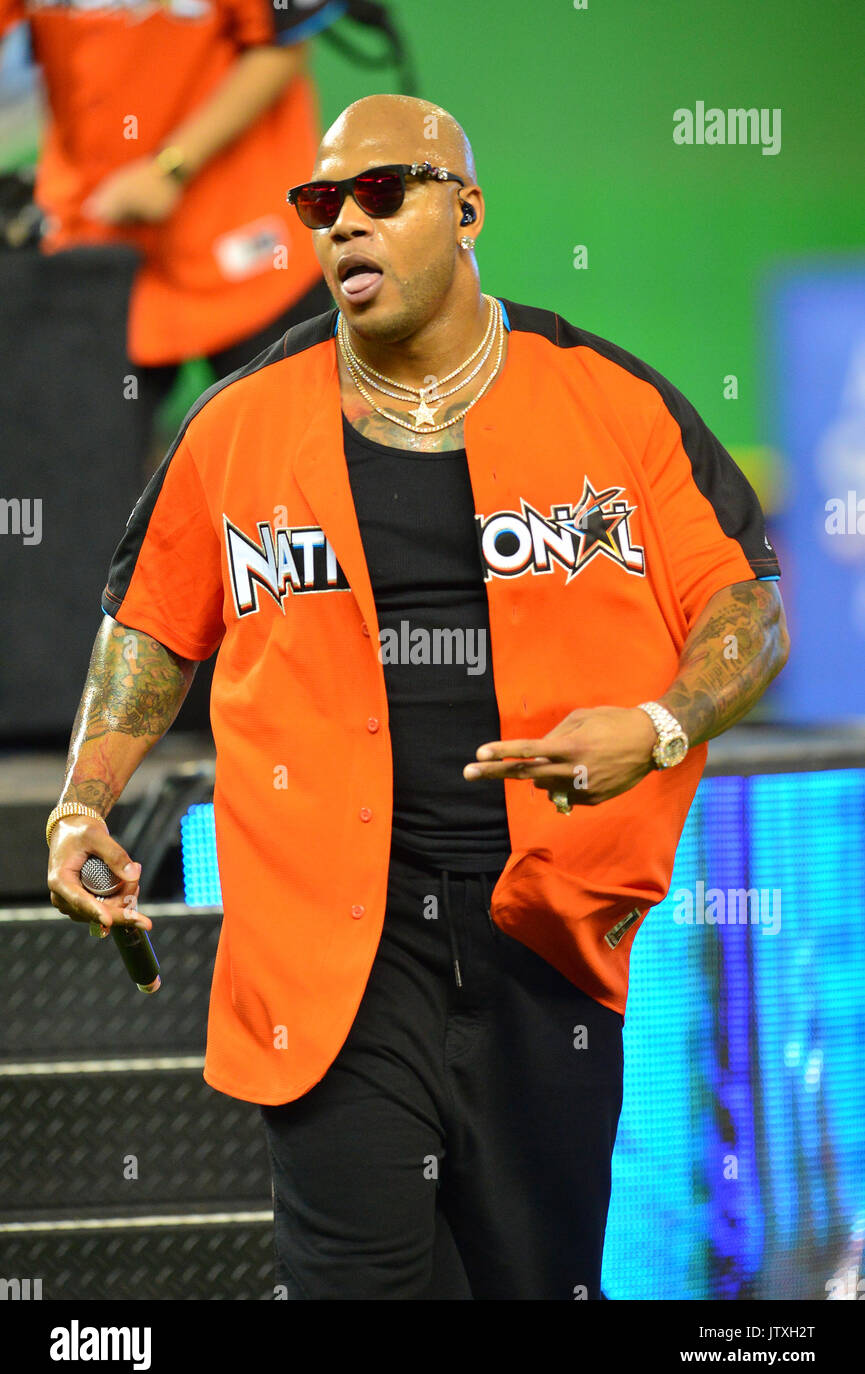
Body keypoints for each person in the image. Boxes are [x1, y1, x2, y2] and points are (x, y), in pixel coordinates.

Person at [45, 93, 790, 1300]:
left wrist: (657, 729)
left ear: (468, 210)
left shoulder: (612, 400)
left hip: (540, 939)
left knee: (533, 1280)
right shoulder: (235, 426)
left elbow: (747, 612)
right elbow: (145, 630)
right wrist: (84, 803)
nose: (344, 225)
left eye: (382, 193)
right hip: (332, 947)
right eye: (320, 204)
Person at [0, 0, 346, 456]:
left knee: (281, 466)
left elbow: (282, 48)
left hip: (251, 241)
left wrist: (170, 167)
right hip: (93, 236)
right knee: (85, 477)